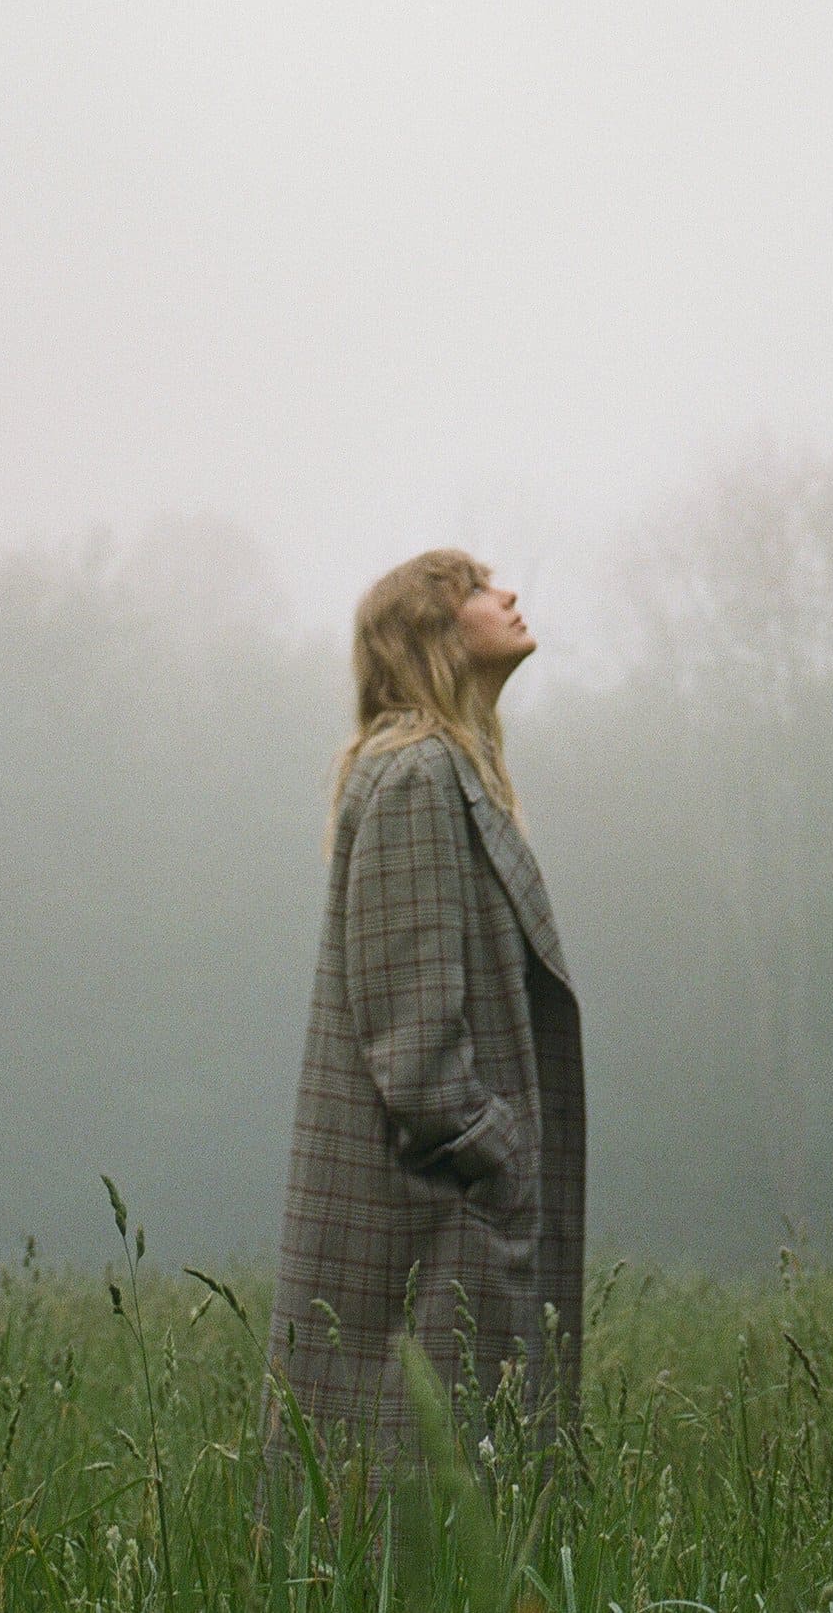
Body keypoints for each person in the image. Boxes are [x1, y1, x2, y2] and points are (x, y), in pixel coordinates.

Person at [268, 548, 585, 1470]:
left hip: (448, 1219)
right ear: (435, 633)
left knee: (439, 1519)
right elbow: (412, 1048)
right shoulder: (417, 776)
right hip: (430, 1223)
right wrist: (499, 1152)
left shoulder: (447, 771)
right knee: (423, 1522)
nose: (512, 592)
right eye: (481, 588)